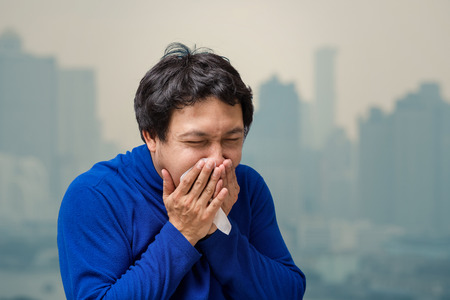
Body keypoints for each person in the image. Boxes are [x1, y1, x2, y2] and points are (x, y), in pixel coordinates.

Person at [57, 43, 306, 299]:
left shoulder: (247, 186)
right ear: (151, 136)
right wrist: (184, 231)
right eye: (197, 142)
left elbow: (289, 292)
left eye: (232, 139)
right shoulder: (95, 196)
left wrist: (216, 229)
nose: (217, 159)